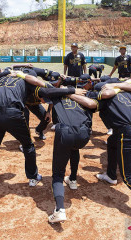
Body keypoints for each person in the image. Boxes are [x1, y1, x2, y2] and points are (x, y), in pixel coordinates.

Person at [0, 70, 86, 208]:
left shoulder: (3, 80)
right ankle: (32, 177)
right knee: (28, 146)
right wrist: (71, 91)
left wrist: (3, 73)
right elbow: (47, 93)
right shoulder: (27, 82)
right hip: (13, 114)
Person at [71, 80, 131, 223]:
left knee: (129, 177)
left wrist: (70, 94)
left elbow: (91, 104)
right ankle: (111, 175)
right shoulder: (125, 93)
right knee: (112, 141)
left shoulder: (104, 97)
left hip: (128, 133)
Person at [47, 74, 94, 224]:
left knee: (58, 174)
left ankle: (59, 210)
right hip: (84, 134)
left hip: (65, 133)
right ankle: (73, 179)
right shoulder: (83, 95)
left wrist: (63, 90)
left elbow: (44, 93)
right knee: (74, 149)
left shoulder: (57, 95)